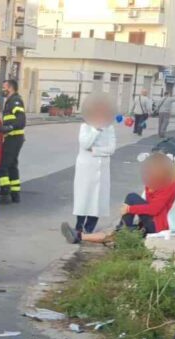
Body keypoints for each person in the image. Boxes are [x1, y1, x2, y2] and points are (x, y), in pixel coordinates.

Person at [61, 152, 175, 244]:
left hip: (157, 227)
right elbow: (149, 203)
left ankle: (122, 229)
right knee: (115, 233)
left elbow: (154, 209)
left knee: (132, 198)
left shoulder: (170, 185)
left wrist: (129, 210)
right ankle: (79, 236)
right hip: (149, 223)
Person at [67, 92, 116, 238]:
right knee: (84, 197)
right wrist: (96, 130)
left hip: (102, 168)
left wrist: (95, 151)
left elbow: (111, 149)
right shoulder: (85, 127)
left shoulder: (110, 128)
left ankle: (89, 228)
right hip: (86, 168)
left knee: (98, 199)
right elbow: (84, 143)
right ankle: (79, 227)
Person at [0, 79, 26, 204]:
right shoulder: (10, 101)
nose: (2, 90)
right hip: (13, 138)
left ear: (10, 88)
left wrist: (9, 128)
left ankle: (4, 193)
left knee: (2, 166)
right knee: (12, 165)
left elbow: (21, 120)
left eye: (4, 88)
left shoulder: (15, 101)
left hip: (14, 137)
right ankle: (15, 194)